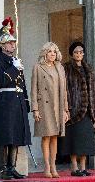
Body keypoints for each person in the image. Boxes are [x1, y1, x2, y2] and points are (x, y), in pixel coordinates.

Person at [0, 17, 31, 180]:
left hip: (17, 99)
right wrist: (13, 68)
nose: (13, 45)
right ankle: (3, 168)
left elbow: (22, 84)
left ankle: (12, 167)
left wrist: (26, 102)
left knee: (16, 134)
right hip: (5, 100)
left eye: (13, 42)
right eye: (10, 42)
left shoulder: (15, 61)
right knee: (6, 134)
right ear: (2, 45)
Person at [58, 42, 95, 177]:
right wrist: (66, 108)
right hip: (73, 110)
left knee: (86, 141)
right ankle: (74, 167)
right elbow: (63, 90)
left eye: (81, 52)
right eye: (76, 52)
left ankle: (83, 167)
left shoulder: (88, 68)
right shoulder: (66, 68)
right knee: (73, 140)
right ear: (72, 53)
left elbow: (94, 89)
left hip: (88, 110)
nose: (79, 54)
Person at [31, 42, 70, 178]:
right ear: (45, 53)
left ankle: (54, 166)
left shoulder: (60, 67)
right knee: (46, 136)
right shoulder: (38, 67)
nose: (52, 54)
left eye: (54, 51)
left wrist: (65, 110)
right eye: (50, 51)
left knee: (55, 136)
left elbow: (64, 91)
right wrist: (35, 109)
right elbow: (34, 89)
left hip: (57, 105)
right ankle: (46, 166)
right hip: (44, 106)